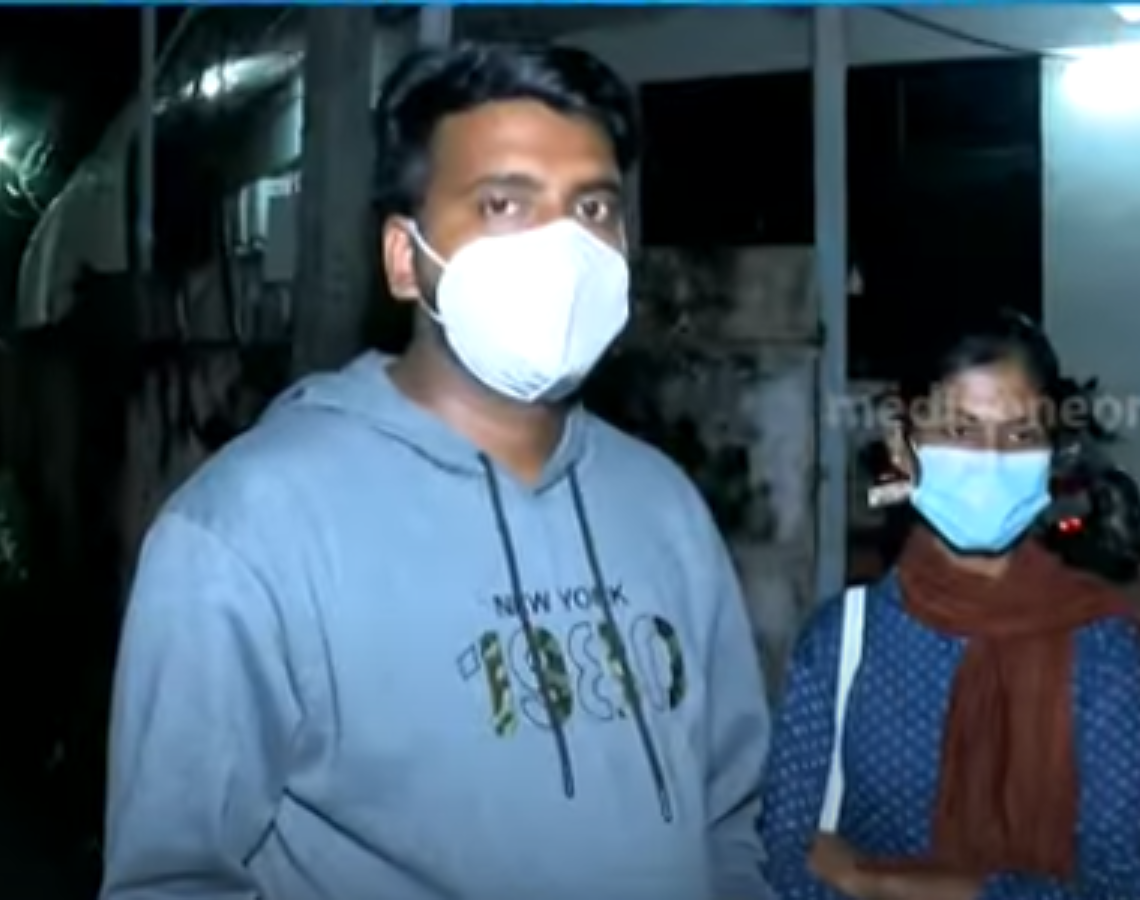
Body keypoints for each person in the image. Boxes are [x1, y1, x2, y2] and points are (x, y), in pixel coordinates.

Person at [100, 42, 774, 900]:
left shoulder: (666, 506)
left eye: (593, 207)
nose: (565, 246)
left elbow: (729, 822)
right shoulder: (244, 532)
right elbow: (174, 879)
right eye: (503, 203)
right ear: (403, 257)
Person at [760, 309, 1140, 900]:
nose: (990, 460)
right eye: (960, 430)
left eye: (1019, 435)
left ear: (1050, 454)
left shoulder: (1101, 648)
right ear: (903, 444)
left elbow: (1119, 887)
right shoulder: (842, 640)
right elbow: (788, 864)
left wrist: (878, 882)